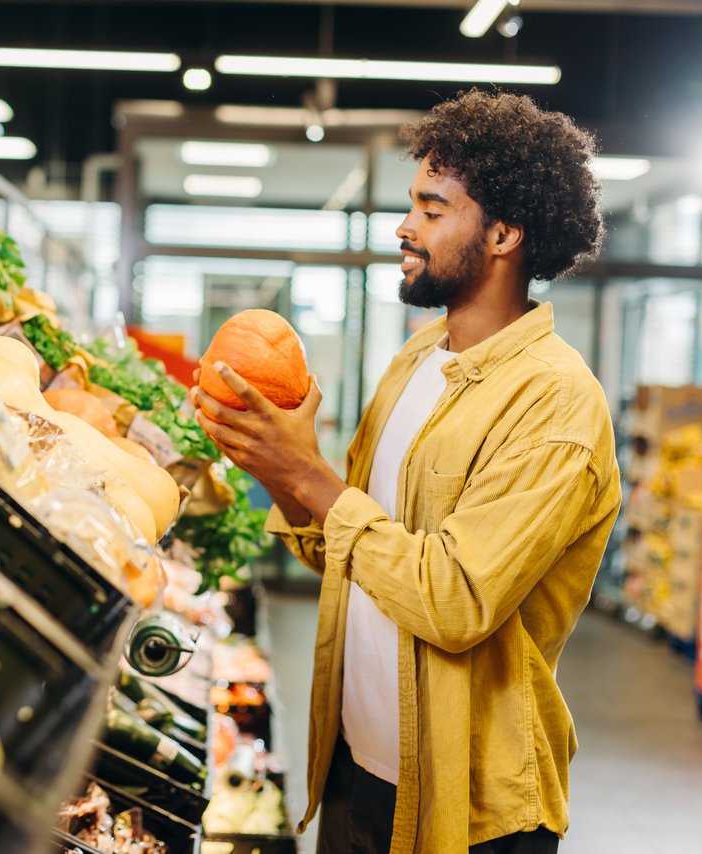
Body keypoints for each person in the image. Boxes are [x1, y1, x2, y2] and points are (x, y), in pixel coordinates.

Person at [191, 89, 622, 854]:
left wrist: (312, 475)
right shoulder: (415, 360)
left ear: (504, 233)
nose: (404, 226)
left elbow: (455, 599)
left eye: (431, 208)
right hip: (357, 769)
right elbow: (342, 548)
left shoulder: (556, 404)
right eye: (411, 205)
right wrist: (278, 464)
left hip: (469, 806)